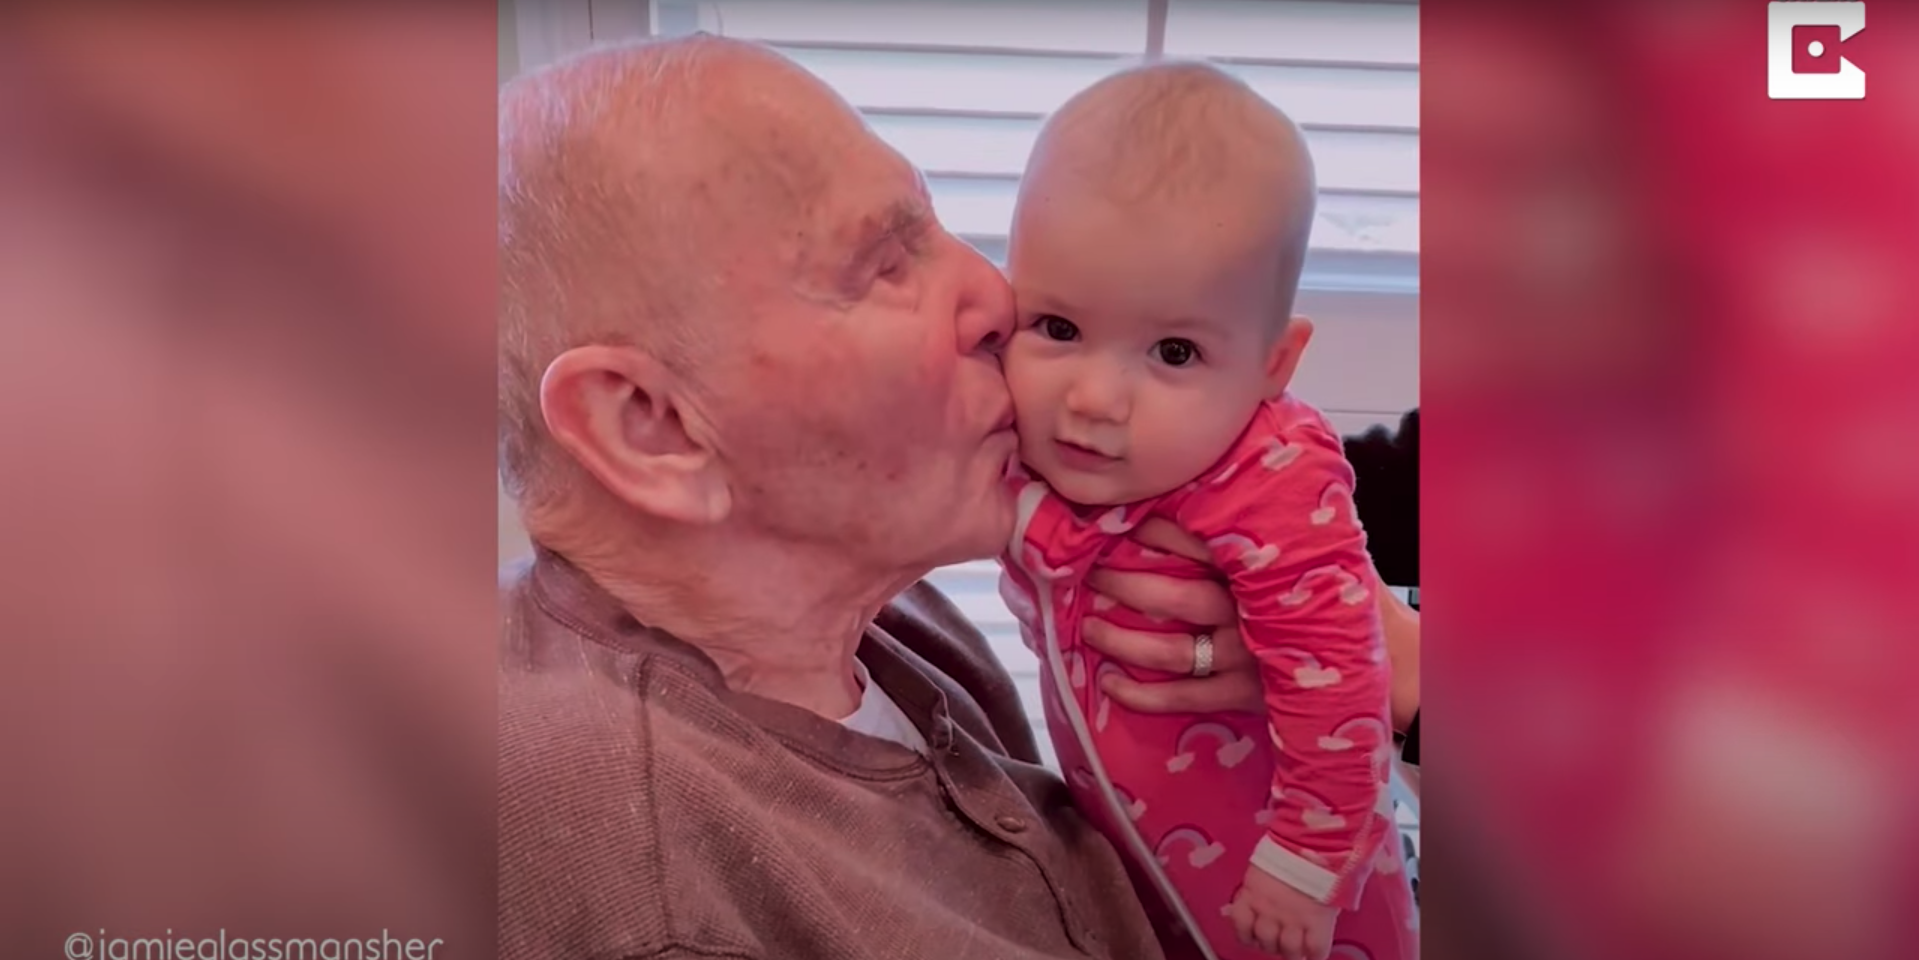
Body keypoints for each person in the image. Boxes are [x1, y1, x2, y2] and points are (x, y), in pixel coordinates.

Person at [495, 35, 1419, 960]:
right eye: (886, 263)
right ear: (651, 426)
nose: (993, 296)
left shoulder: (895, 618)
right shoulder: (655, 890)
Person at [992, 64, 1413, 960]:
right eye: (1058, 328)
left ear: (1272, 364)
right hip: (1135, 863)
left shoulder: (1273, 483)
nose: (1094, 399)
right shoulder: (1025, 432)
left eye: (1174, 351)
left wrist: (1305, 865)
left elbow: (1341, 684)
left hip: (1290, 898)